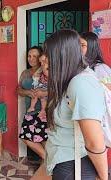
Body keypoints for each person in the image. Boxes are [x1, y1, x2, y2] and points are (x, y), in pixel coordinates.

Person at [45, 29, 108, 179]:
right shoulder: (70, 80)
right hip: (63, 160)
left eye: (49, 55)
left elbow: (94, 142)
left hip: (74, 167)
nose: (45, 59)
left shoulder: (81, 83)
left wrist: (104, 177)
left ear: (61, 56)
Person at [18, 46, 48, 161]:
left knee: (44, 139)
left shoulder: (46, 70)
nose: (31, 59)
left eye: (34, 56)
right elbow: (18, 90)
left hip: (43, 110)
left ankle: (47, 166)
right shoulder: (25, 73)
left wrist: (41, 93)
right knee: (27, 137)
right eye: (29, 56)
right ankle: (47, 161)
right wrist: (27, 92)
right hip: (31, 110)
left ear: (40, 57)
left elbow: (54, 89)